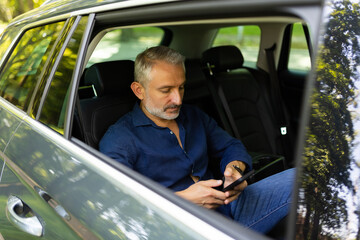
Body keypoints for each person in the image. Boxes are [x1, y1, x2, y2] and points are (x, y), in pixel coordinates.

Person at [99, 46, 294, 234]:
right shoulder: (119, 139)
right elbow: (118, 204)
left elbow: (230, 146)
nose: (178, 100)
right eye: (166, 90)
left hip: (229, 204)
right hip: (182, 226)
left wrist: (235, 170)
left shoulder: (193, 116)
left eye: (181, 87)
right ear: (139, 90)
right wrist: (182, 200)